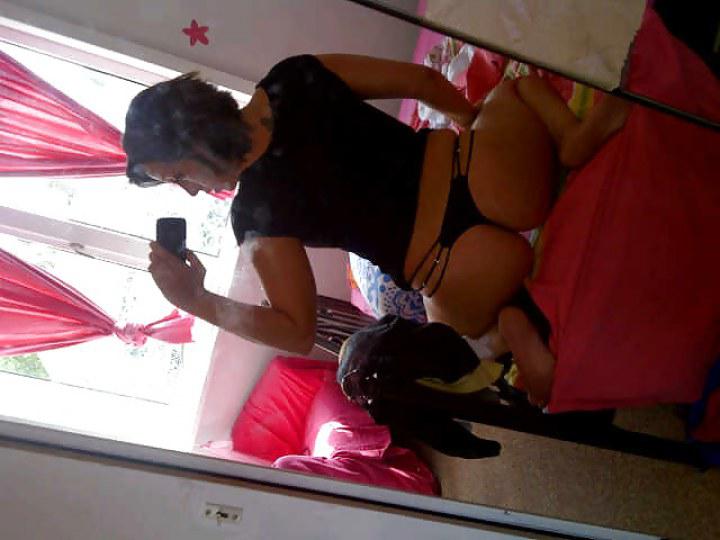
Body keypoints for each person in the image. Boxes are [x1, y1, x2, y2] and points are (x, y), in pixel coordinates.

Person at [123, 54, 629, 393]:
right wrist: (470, 119)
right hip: (495, 173)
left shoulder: (253, 215)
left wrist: (198, 301)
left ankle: (505, 331)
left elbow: (298, 331)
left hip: (460, 266)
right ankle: (572, 139)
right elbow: (423, 82)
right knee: (517, 89)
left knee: (447, 342)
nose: (191, 190)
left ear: (196, 144)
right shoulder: (289, 78)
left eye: (179, 175)